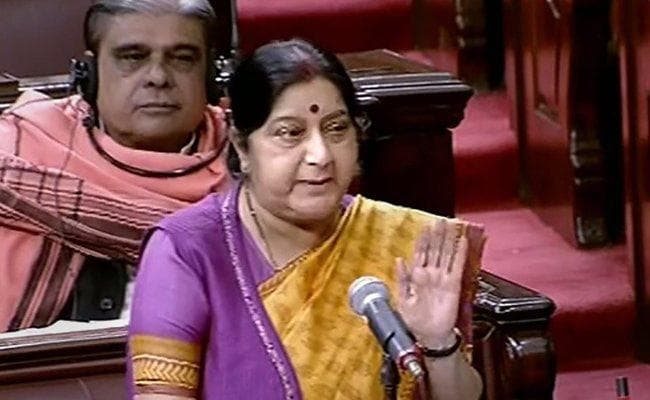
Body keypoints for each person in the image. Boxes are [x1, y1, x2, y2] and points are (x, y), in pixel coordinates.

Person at [128, 39, 486, 399]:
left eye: (336, 128)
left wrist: (439, 343)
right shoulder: (186, 251)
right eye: (290, 133)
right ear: (241, 146)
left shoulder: (401, 240)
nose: (320, 155)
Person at [0, 0, 231, 333]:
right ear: (91, 74)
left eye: (182, 58)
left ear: (209, 75)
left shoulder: (256, 162)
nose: (158, 77)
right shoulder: (21, 150)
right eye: (132, 57)